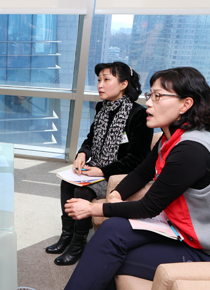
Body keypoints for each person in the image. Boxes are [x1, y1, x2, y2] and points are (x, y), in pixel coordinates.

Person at [63, 67, 210, 289]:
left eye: (158, 96)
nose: (149, 103)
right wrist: (116, 195)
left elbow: (148, 207)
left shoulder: (191, 151)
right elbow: (141, 173)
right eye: (150, 95)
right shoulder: (172, 136)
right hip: (177, 229)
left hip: (204, 247)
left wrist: (92, 209)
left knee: (107, 255)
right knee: (111, 233)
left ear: (185, 104)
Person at [45, 62, 153, 266]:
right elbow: (91, 138)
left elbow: (138, 158)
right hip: (98, 166)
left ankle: (78, 244)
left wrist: (102, 170)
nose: (100, 85)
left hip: (118, 173)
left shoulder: (138, 114)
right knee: (67, 183)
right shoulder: (102, 107)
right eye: (98, 80)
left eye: (106, 79)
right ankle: (66, 235)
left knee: (83, 192)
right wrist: (82, 154)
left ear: (123, 84)